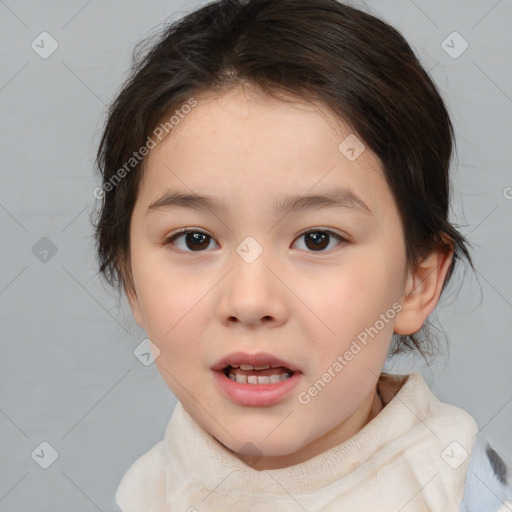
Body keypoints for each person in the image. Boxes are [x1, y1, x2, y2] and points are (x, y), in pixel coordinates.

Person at [92, 0, 512, 510]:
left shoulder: (463, 491)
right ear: (130, 277)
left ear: (416, 281)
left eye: (317, 239)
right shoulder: (145, 493)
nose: (250, 301)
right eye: (195, 239)